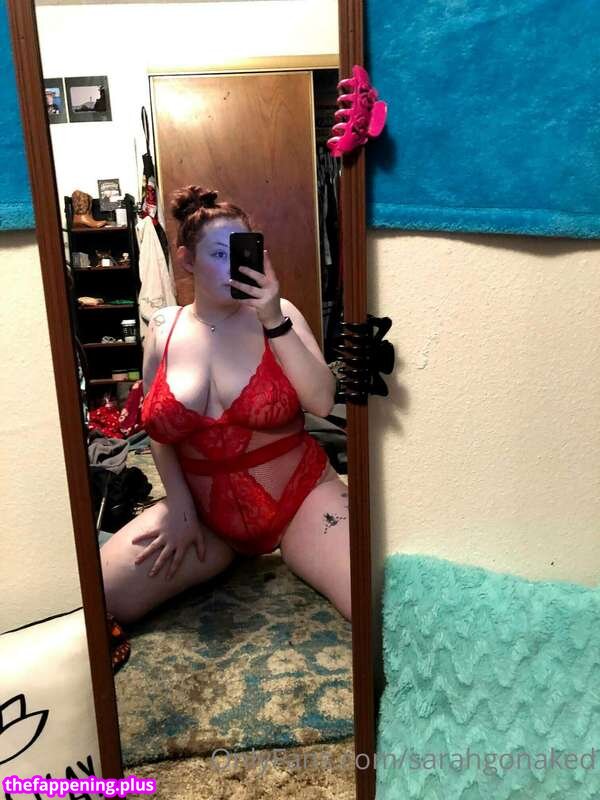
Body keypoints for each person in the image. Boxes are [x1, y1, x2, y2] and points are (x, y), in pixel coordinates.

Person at [100, 186, 351, 625]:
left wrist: (272, 319)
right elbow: (157, 430)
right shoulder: (162, 329)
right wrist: (179, 505)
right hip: (205, 516)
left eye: (239, 250)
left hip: (301, 498)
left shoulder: (281, 313)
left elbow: (322, 399)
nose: (232, 264)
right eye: (218, 254)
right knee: (101, 593)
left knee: (368, 595)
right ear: (186, 260)